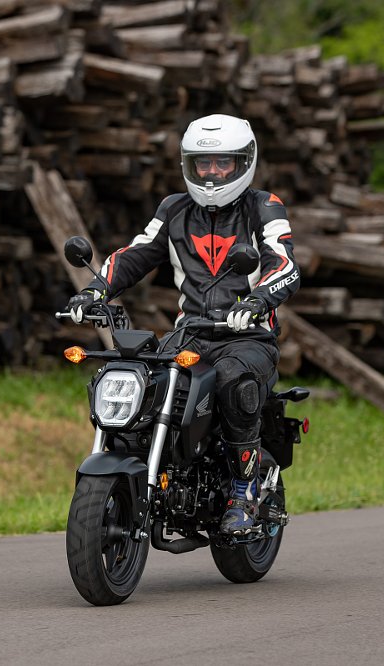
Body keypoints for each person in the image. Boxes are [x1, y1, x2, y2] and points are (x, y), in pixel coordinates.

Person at [65, 113, 300, 535]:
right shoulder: (174, 209)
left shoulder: (264, 207)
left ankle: (244, 490)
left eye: (222, 163)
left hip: (247, 338)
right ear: (188, 165)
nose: (211, 174)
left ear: (244, 162)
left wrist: (257, 300)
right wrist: (95, 291)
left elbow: (284, 265)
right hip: (188, 336)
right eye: (202, 164)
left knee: (232, 380)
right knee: (139, 380)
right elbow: (135, 255)